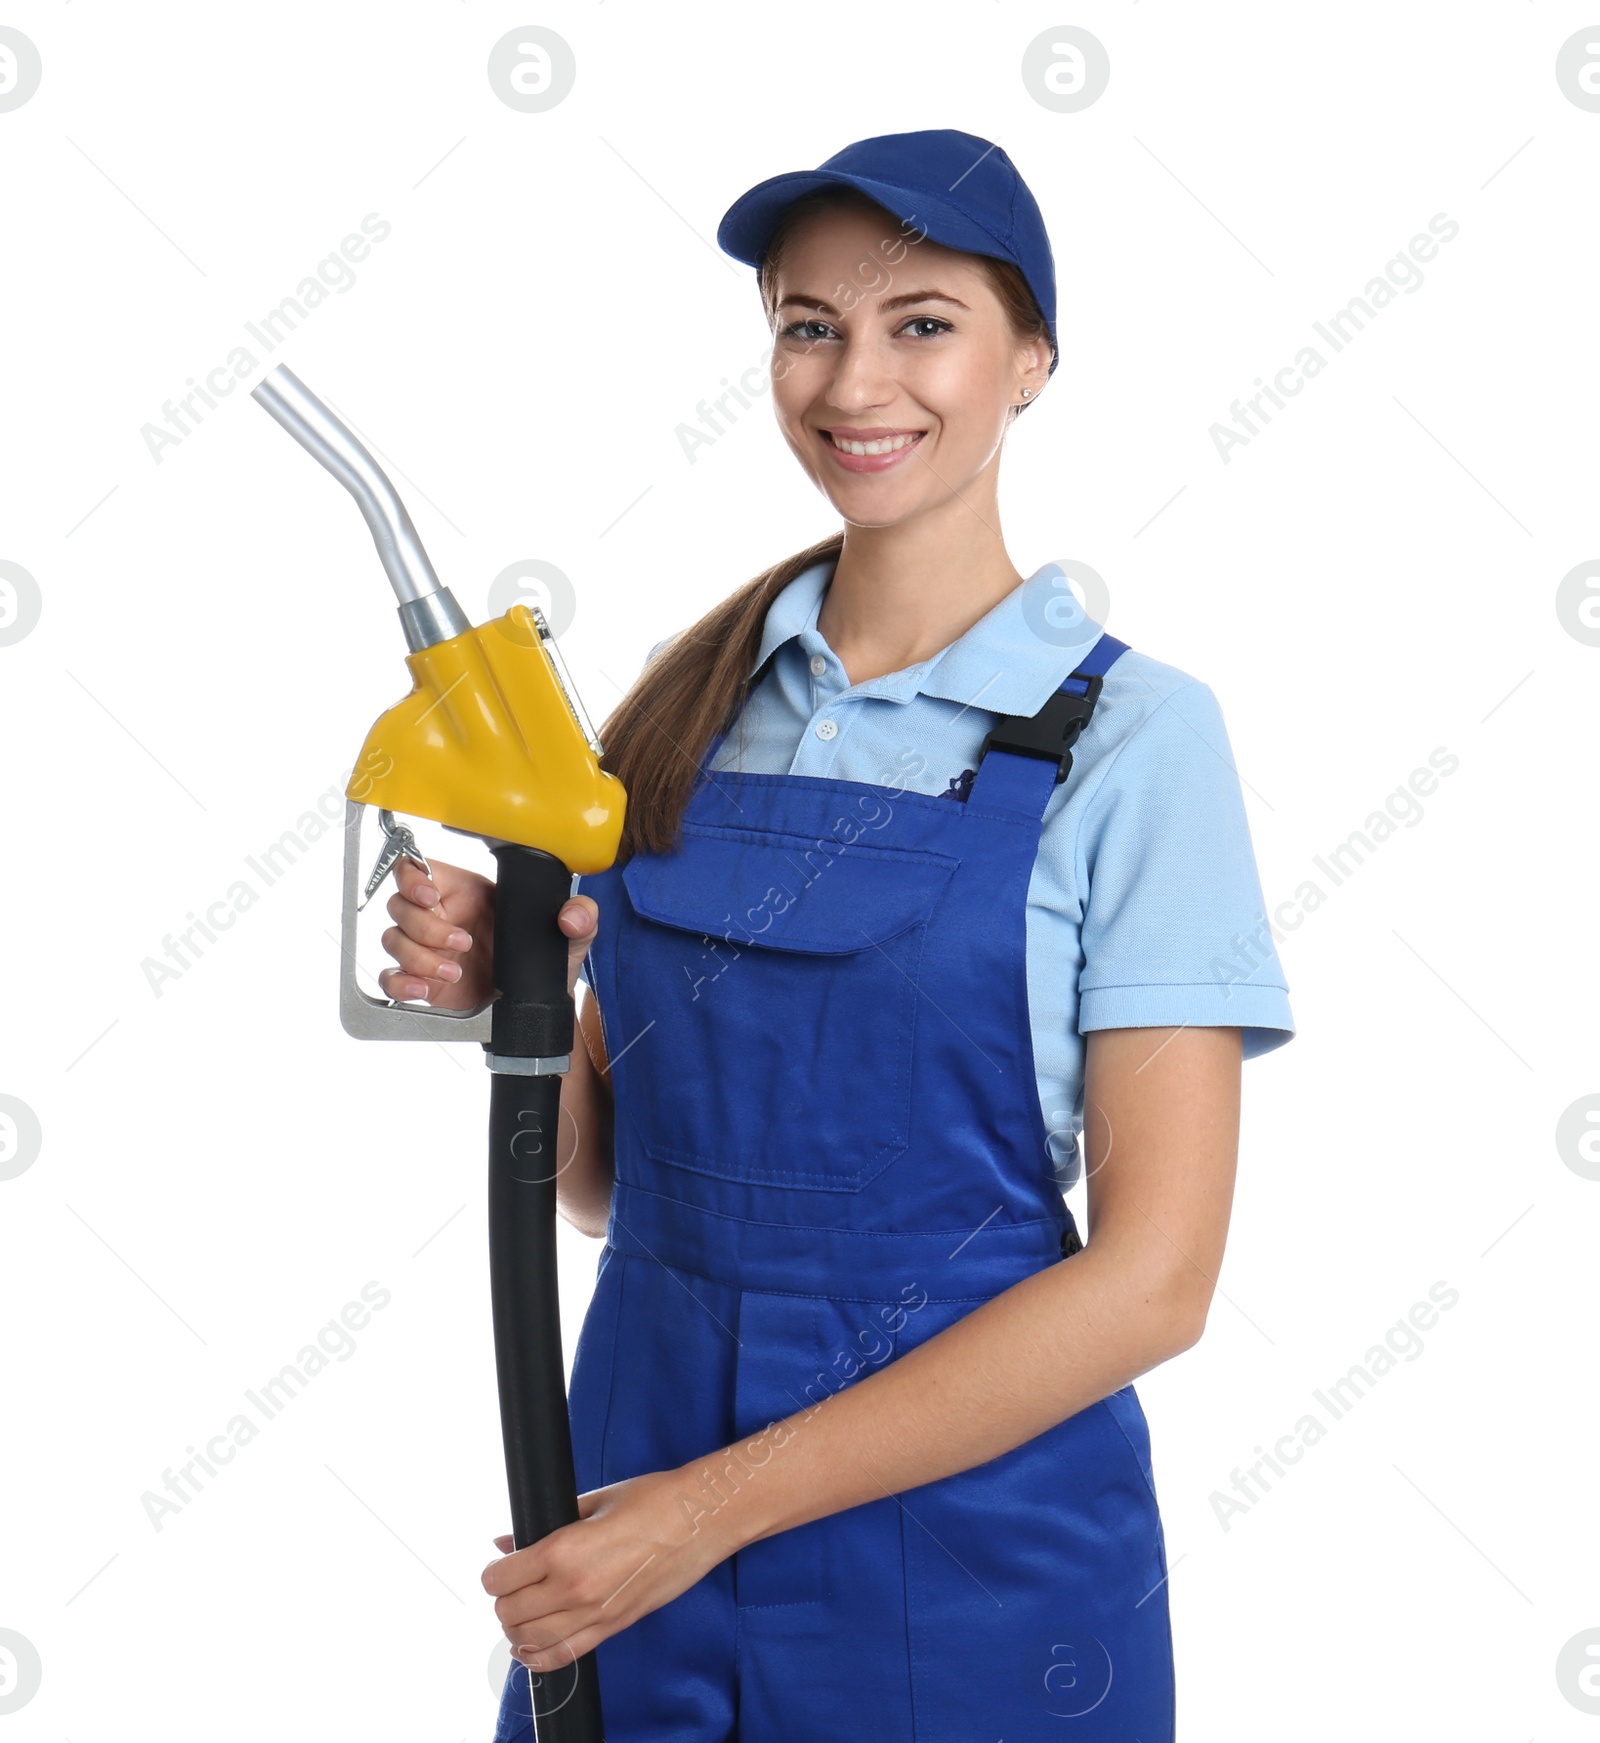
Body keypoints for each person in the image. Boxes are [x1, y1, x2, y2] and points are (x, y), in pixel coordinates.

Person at [381, 129, 1295, 1742]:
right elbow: (610, 1186)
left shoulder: (1132, 742)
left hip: (967, 1575)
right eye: (811, 325)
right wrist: (514, 999)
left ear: (1032, 361)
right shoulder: (690, 695)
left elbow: (1155, 1285)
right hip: (622, 1514)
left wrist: (707, 1512)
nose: (856, 380)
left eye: (921, 321)